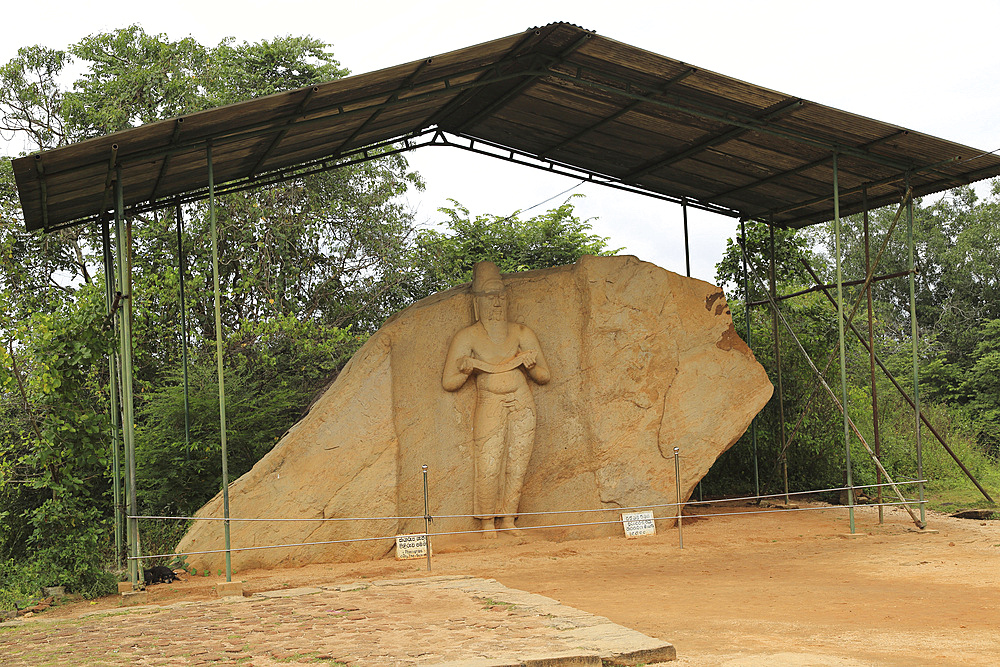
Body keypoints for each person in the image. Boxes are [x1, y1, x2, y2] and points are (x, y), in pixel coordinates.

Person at [442, 262, 550, 538]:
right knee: (489, 463)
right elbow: (448, 382)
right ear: (476, 302)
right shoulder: (468, 337)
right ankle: (488, 521)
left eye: (501, 295)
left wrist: (529, 364)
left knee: (517, 463)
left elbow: (544, 375)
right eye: (490, 296)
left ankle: (509, 521)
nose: (497, 302)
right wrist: (466, 370)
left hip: (522, 403)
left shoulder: (521, 333)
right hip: (490, 403)